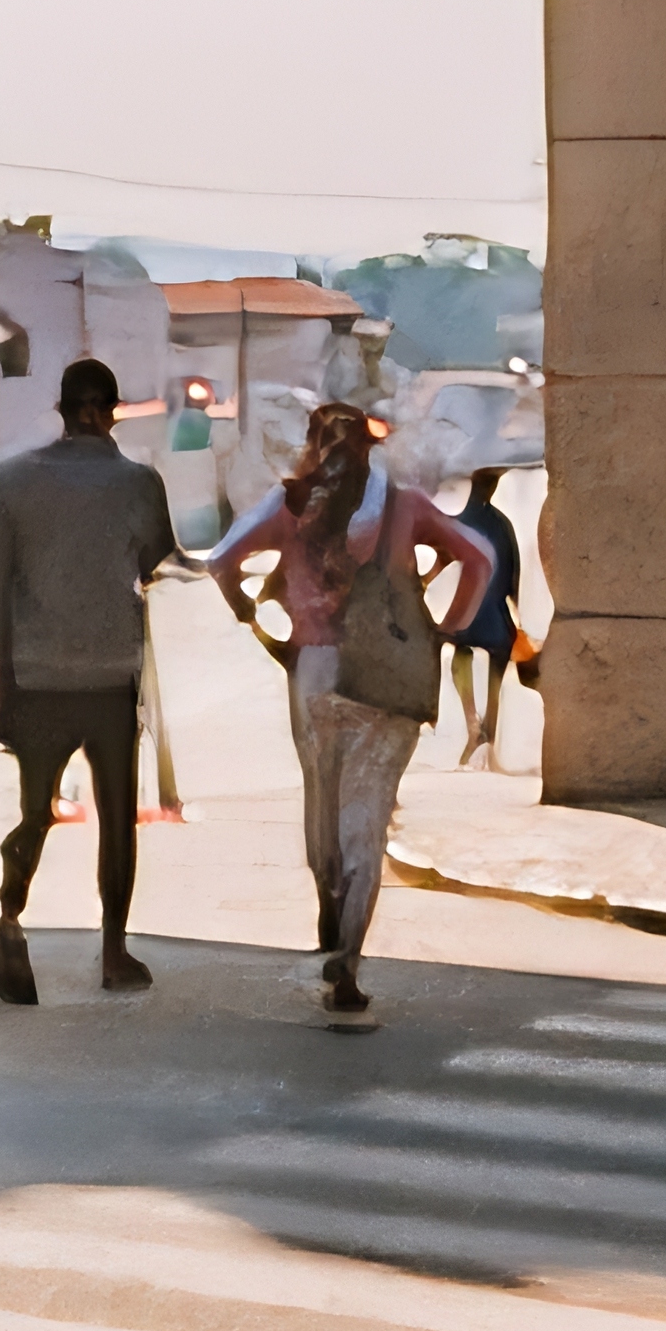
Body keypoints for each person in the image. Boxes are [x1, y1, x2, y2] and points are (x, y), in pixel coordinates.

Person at [212, 404, 493, 1015]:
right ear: (369, 450)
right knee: (364, 816)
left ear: (313, 446)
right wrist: (446, 630)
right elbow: (479, 559)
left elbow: (220, 561)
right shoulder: (403, 505)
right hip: (386, 674)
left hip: (312, 670)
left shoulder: (288, 505)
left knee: (322, 801)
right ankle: (347, 955)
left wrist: (259, 624)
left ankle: (327, 907)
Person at [0, 356, 178, 1004]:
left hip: (35, 674)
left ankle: (10, 914)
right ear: (110, 410)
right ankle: (114, 951)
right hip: (109, 674)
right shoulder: (139, 482)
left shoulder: (10, 479)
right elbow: (153, 556)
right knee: (117, 816)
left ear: (62, 410)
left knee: (35, 810)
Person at [450, 466, 524, 768]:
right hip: (498, 617)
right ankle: (489, 730)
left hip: (470, 614)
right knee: (497, 666)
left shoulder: (462, 521)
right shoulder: (502, 523)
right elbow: (514, 577)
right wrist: (519, 617)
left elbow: (442, 560)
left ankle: (472, 723)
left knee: (459, 653)